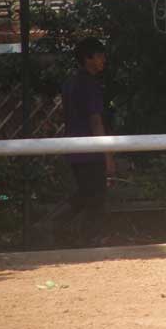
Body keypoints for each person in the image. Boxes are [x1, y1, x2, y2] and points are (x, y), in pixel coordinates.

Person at [60, 37, 114, 245]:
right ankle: (89, 236)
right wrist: (108, 155)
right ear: (87, 58)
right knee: (95, 195)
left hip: (73, 148)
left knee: (86, 193)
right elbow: (95, 120)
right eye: (100, 56)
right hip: (90, 150)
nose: (104, 60)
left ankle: (68, 230)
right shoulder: (89, 84)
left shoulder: (70, 83)